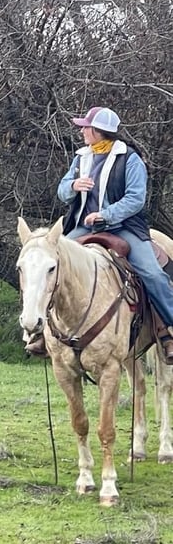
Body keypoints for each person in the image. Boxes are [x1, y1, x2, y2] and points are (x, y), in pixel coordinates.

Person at [55, 106, 173, 362]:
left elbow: (135, 199)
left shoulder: (129, 159)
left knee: (153, 274)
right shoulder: (81, 157)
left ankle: (169, 330)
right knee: (51, 262)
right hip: (85, 227)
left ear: (98, 132)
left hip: (124, 227)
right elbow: (62, 190)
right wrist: (73, 186)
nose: (82, 130)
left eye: (86, 127)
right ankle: (43, 333)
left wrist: (105, 215)